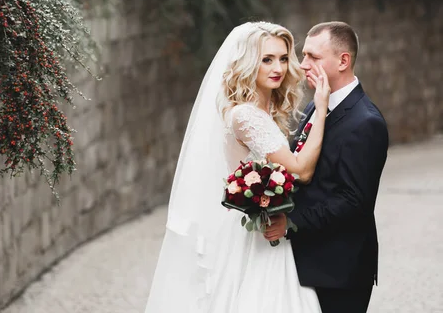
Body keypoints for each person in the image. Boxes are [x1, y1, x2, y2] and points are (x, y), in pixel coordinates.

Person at [145, 22, 330, 313]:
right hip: (250, 233)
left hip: (258, 222)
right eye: (266, 59)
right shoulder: (247, 116)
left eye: (283, 58)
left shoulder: (257, 110)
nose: (278, 68)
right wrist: (321, 109)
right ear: (247, 63)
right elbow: (300, 170)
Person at [265, 21, 389, 313]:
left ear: (343, 61)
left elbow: (354, 202)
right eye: (304, 55)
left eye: (314, 57)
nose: (303, 64)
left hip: (339, 269)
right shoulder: (316, 106)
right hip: (307, 259)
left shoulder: (366, 121)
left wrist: (290, 222)